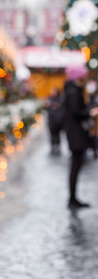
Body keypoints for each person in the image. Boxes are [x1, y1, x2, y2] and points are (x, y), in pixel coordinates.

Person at [63, 66, 98, 209]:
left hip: (75, 133)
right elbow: (76, 112)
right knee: (75, 166)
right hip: (75, 134)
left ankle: (73, 198)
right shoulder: (74, 92)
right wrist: (91, 113)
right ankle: (72, 199)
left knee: (76, 166)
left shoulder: (72, 90)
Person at [45, 88, 64, 154]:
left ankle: (58, 145)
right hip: (51, 120)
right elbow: (46, 106)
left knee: (57, 134)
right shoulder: (50, 99)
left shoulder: (61, 99)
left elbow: (62, 107)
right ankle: (53, 146)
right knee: (52, 134)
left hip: (58, 120)